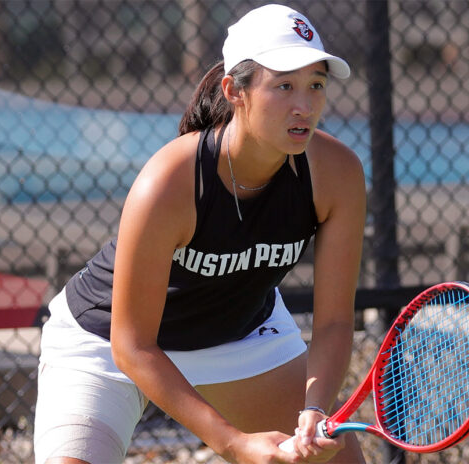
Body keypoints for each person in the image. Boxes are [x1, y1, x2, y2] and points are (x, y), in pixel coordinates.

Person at [33, 4, 367, 463]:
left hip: (242, 337)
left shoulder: (337, 173)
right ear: (235, 91)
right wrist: (233, 443)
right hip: (107, 342)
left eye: (316, 85)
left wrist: (314, 408)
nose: (304, 106)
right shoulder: (169, 180)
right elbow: (131, 345)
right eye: (284, 85)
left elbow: (333, 323)